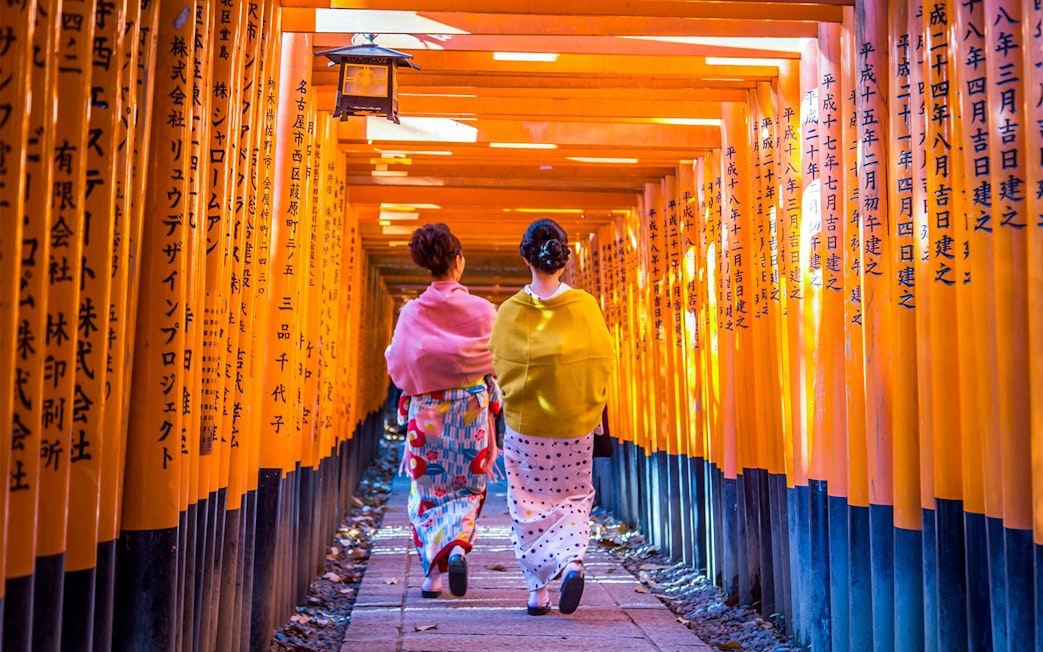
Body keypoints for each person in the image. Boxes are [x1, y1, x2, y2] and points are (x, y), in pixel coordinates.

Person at [489, 219, 615, 616]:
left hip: (527, 429)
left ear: (526, 257)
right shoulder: (585, 306)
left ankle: (538, 593)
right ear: (563, 258)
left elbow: (496, 366)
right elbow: (603, 362)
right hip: (575, 426)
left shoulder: (510, 312)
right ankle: (573, 561)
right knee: (575, 498)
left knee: (527, 504)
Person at [385, 222, 502, 599]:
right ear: (459, 261)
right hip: (470, 413)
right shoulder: (484, 311)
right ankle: (457, 545)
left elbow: (397, 364)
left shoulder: (411, 313)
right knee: (468, 487)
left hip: (428, 414)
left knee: (427, 490)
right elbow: (499, 360)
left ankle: (432, 576)